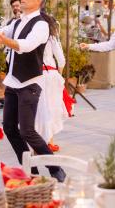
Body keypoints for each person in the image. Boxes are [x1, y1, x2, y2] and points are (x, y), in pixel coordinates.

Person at [0, 0, 66, 182]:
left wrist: (6, 41)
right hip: (13, 83)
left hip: (30, 84)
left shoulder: (42, 25)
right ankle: (29, 169)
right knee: (9, 127)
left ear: (38, 0)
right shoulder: (17, 22)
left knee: (27, 131)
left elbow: (27, 46)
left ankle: (55, 170)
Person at [35, 19, 72, 152]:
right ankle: (49, 141)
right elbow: (61, 59)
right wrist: (59, 76)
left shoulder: (31, 37)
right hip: (50, 76)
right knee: (51, 108)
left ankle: (38, 139)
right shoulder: (52, 38)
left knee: (38, 108)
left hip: (35, 76)